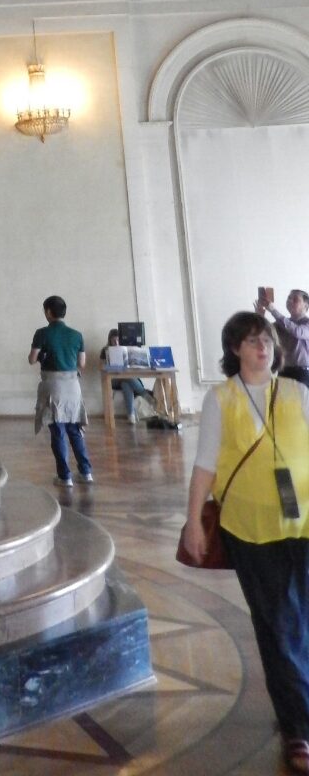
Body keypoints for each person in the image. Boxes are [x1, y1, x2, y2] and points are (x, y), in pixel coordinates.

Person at [183, 312, 309, 775]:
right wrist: (192, 521)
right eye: (253, 341)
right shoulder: (222, 399)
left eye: (268, 341)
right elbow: (204, 466)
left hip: (304, 523)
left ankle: (299, 701)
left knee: (301, 619)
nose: (264, 348)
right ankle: (299, 725)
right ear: (235, 347)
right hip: (250, 528)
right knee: (278, 624)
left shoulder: (297, 392)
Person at [29, 296, 94, 488]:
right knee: (75, 429)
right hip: (73, 386)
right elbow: (82, 363)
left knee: (57, 431)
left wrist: (42, 355)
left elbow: (32, 359)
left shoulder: (42, 333)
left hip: (53, 387)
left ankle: (64, 476)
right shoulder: (76, 335)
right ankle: (86, 471)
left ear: (48, 312)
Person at [257, 289, 309, 387]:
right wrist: (260, 316)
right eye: (289, 298)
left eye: (295, 299)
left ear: (306, 306)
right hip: (283, 371)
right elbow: (264, 334)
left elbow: (297, 331)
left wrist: (273, 310)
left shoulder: (306, 323)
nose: (290, 301)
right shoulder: (281, 323)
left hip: (302, 374)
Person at [100, 328, 152, 423]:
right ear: (110, 340)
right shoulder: (105, 350)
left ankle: (131, 415)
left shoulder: (127, 349)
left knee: (125, 383)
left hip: (127, 379)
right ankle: (145, 394)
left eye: (118, 340)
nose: (116, 342)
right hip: (113, 379)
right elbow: (101, 368)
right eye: (113, 340)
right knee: (127, 379)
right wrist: (108, 365)